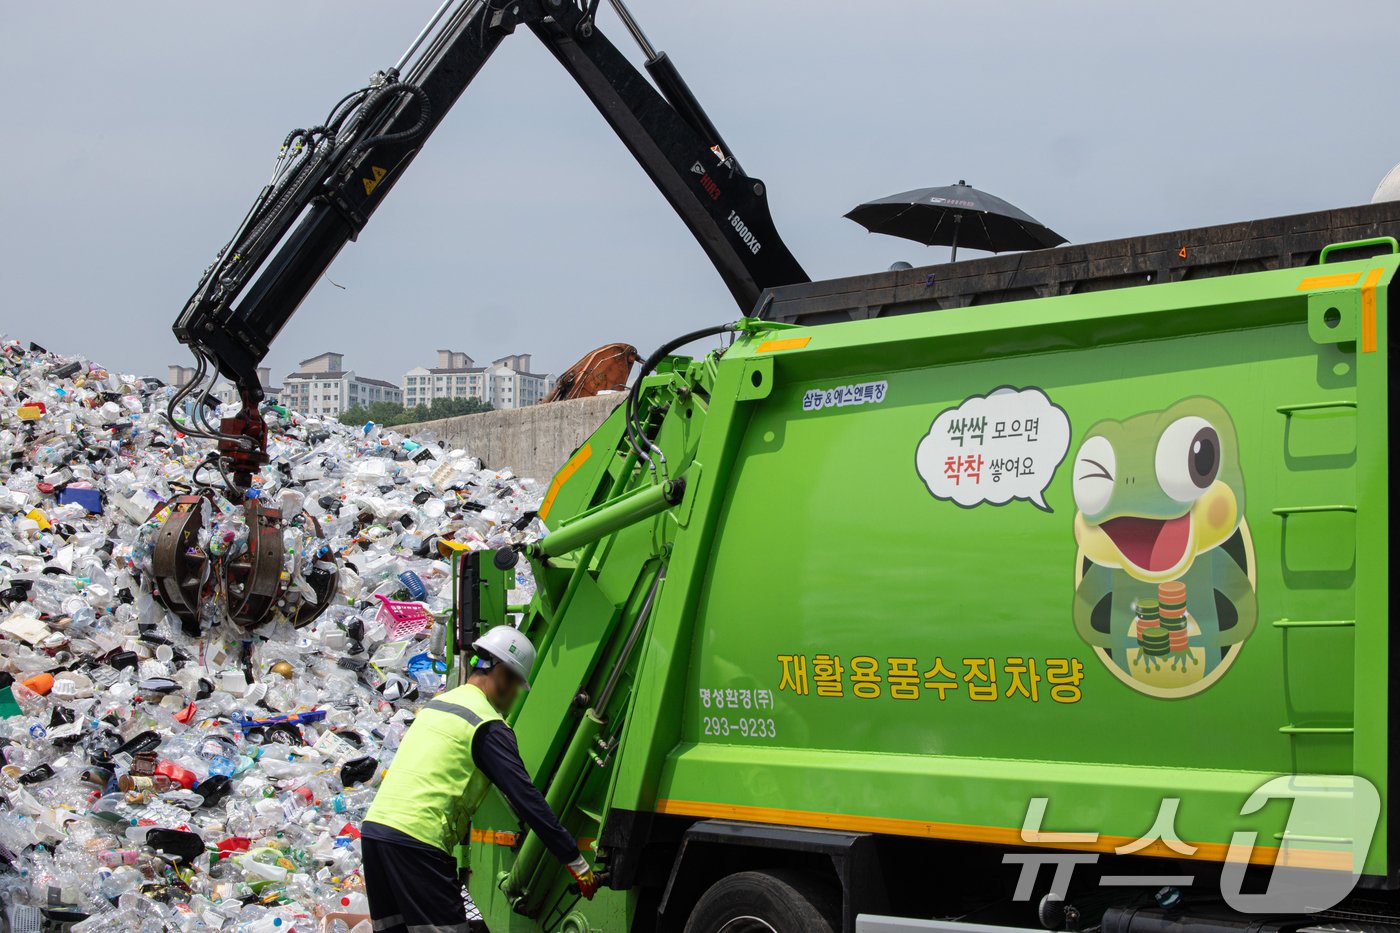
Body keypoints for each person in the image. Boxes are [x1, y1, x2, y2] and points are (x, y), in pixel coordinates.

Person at [362, 625, 599, 933]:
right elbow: (528, 800)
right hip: (418, 841)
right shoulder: (487, 723)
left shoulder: (438, 705)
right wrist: (575, 860)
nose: (515, 696)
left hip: (375, 833)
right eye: (517, 687)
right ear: (500, 673)